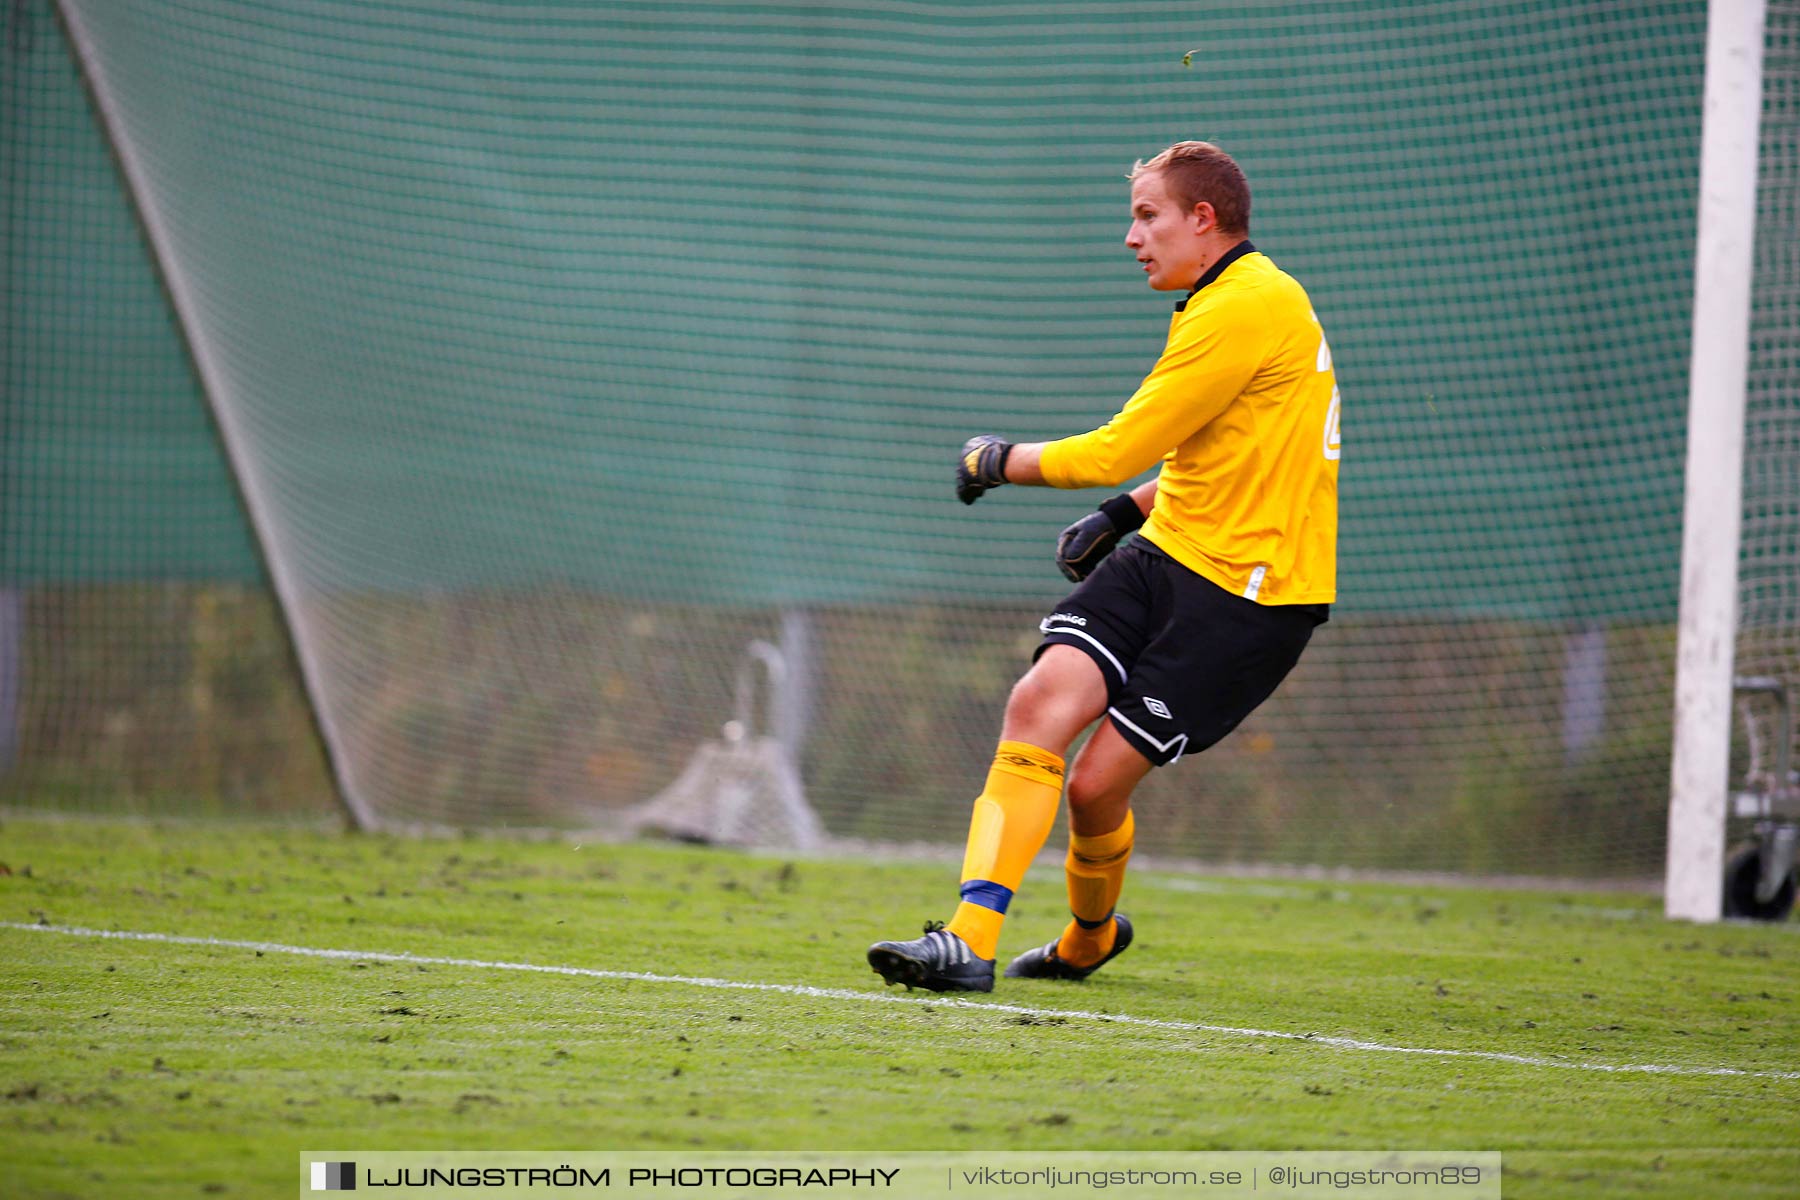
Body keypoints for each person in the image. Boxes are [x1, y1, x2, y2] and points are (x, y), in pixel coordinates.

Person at [867, 140, 1340, 993]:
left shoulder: (1248, 304)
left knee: (1093, 789)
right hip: (1168, 553)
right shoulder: (1226, 300)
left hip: (1249, 598)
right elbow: (1229, 455)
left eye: (1148, 215)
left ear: (1205, 220)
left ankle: (1090, 937)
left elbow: (1115, 447)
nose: (1132, 237)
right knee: (1039, 701)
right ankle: (968, 941)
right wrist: (1124, 515)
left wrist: (997, 458)